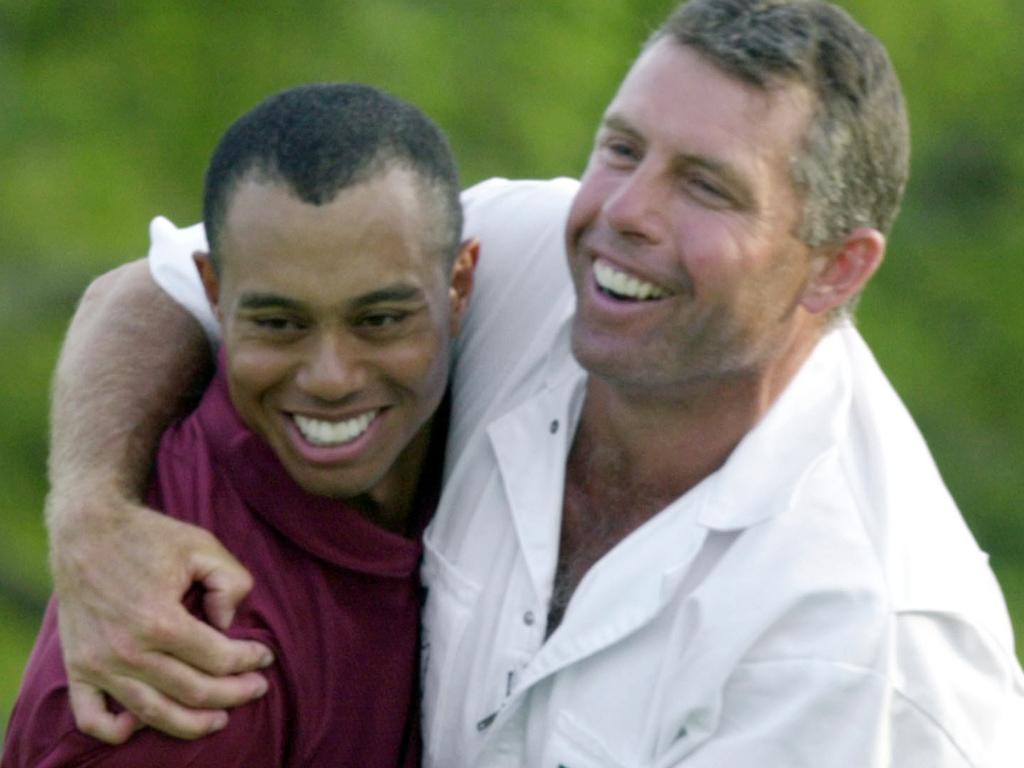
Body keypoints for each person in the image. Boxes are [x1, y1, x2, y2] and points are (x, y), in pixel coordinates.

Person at [37, 0, 1024, 765]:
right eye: (621, 148)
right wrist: (90, 516)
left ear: (836, 267)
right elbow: (153, 289)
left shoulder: (866, 651)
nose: (620, 213)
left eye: (706, 186)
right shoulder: (522, 262)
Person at [2, 82, 477, 767]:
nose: (330, 377)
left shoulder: (499, 407)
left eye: (379, 320)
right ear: (214, 296)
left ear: (460, 288)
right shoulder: (191, 676)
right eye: (280, 324)